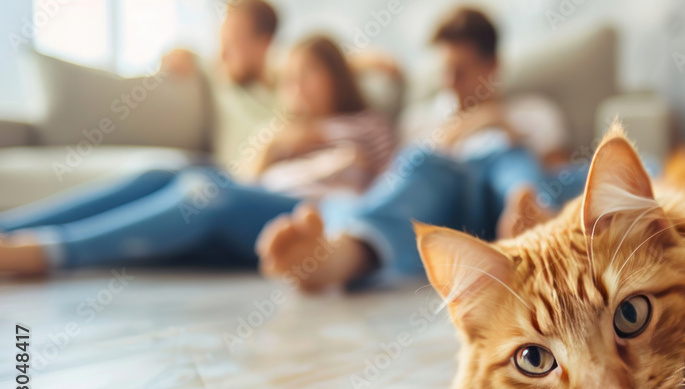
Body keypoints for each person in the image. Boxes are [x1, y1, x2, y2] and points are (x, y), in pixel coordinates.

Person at [0, 37, 396, 277]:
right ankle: (10, 225)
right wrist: (277, 146)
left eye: (307, 74)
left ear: (336, 76)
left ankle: (43, 252)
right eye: (290, 79)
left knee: (207, 192)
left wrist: (330, 154)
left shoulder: (367, 124)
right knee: (164, 173)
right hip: (251, 200)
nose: (296, 87)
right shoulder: (280, 131)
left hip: (308, 214)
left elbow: (387, 194)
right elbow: (246, 179)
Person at [256, 7, 589, 291]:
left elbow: (559, 173)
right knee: (422, 161)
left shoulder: (532, 112)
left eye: (460, 71)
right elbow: (397, 187)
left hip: (506, 199)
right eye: (444, 71)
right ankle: (345, 253)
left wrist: (504, 128)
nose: (449, 82)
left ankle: (539, 229)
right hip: (446, 207)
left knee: (517, 160)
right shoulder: (422, 120)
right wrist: (457, 133)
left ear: (492, 67)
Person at [161, 0, 282, 178]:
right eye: (222, 41)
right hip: (224, 176)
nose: (222, 54)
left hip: (253, 185)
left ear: (263, 43)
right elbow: (175, 56)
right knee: (157, 174)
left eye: (233, 43)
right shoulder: (218, 74)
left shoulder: (290, 90)